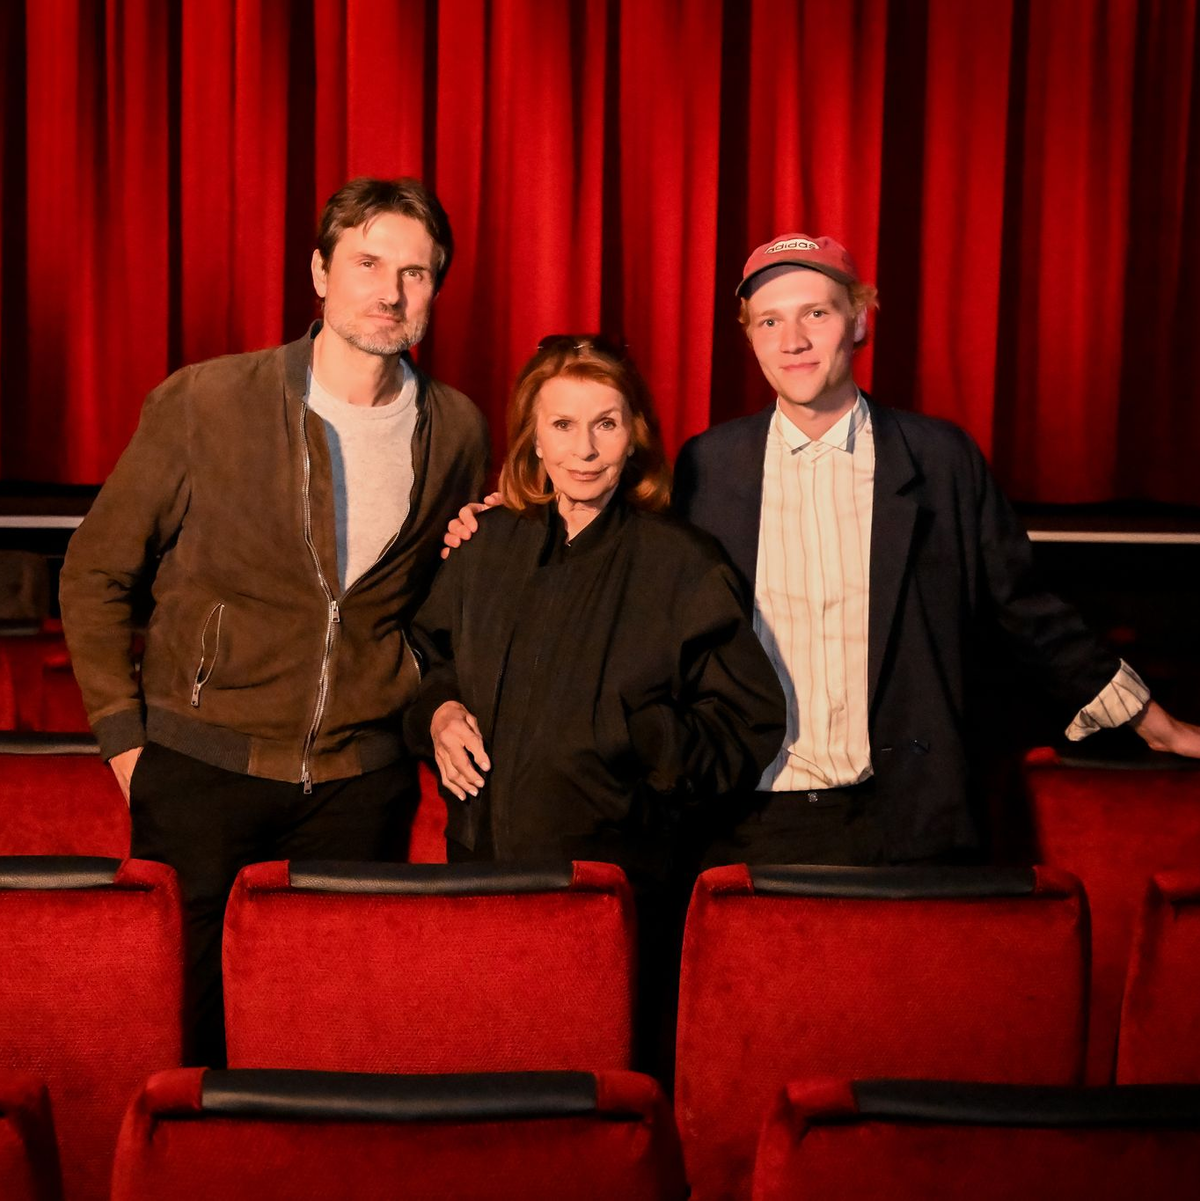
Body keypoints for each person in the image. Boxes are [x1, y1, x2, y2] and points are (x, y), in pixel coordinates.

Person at [59, 176, 489, 1064]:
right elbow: (96, 571)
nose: (390, 291)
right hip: (200, 767)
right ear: (320, 272)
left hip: (359, 782)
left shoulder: (456, 429)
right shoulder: (207, 401)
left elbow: (437, 610)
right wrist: (130, 749)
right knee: (187, 1037)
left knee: (334, 1032)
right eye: (368, 263)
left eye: (415, 272)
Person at [670, 232, 1200, 865]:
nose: (793, 341)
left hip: (909, 816)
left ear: (858, 320)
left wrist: (1151, 722)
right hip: (751, 818)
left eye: (816, 312)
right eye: (770, 321)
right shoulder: (707, 466)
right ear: (750, 337)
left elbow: (1025, 610)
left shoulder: (940, 458)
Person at [404, 335, 785, 1066]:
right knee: (486, 1080)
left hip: (615, 892)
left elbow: (749, 724)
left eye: (606, 423)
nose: (585, 448)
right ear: (533, 440)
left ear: (635, 433)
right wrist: (439, 713)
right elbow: (428, 658)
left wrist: (634, 737)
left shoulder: (683, 563)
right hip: (481, 874)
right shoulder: (487, 545)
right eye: (563, 425)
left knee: (600, 1095)